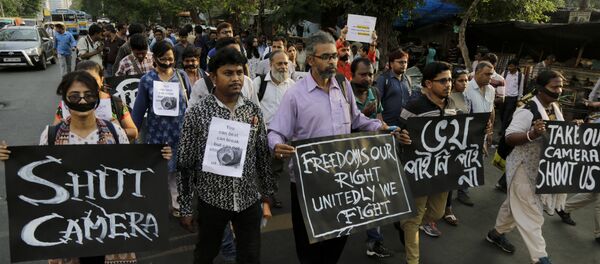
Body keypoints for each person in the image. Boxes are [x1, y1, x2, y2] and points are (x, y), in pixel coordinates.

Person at [0, 70, 172, 264]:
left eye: (89, 95)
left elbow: (132, 170)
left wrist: (158, 158)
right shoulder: (50, 135)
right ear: (65, 99)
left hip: (110, 230)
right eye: (74, 96)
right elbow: (39, 176)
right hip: (67, 232)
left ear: (97, 98)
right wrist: (12, 159)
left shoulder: (115, 132)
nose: (82, 101)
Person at [267, 31, 396, 264]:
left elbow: (357, 120)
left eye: (335, 56)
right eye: (326, 57)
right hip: (309, 184)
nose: (332, 62)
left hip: (342, 181)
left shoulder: (343, 85)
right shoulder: (295, 95)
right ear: (311, 59)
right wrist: (276, 145)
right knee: (309, 245)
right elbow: (276, 130)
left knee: (339, 237)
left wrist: (380, 127)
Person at [177, 47, 275, 264]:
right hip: (211, 200)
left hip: (248, 199)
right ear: (213, 77)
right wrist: (185, 206)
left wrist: (267, 193)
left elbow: (261, 155)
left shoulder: (252, 111)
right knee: (206, 254)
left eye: (240, 72)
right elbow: (185, 163)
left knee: (250, 256)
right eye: (228, 73)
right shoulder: (198, 113)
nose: (236, 78)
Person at [486, 70, 568, 264]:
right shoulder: (527, 110)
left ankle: (496, 233)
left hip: (540, 169)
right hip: (522, 168)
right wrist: (531, 133)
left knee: (515, 204)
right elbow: (509, 137)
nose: (559, 90)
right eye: (554, 86)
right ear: (540, 88)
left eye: (560, 86)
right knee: (531, 212)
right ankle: (540, 257)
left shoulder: (555, 107)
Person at [395, 61, 456, 264]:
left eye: (450, 79)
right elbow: (398, 132)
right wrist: (401, 136)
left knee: (437, 213)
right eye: (443, 81)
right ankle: (412, 259)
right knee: (414, 218)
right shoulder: (414, 106)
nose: (448, 84)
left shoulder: (453, 105)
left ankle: (403, 220)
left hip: (443, 171)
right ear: (429, 83)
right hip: (418, 170)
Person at [131, 40, 192, 216]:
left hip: (179, 132)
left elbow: (190, 104)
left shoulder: (181, 76)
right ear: (155, 59)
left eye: (170, 58)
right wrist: (132, 133)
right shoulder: (147, 80)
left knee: (178, 172)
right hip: (157, 133)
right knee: (160, 171)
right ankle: (155, 206)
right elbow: (139, 109)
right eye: (163, 59)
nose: (167, 62)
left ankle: (178, 205)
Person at [252, 50, 295, 209]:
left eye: (286, 63)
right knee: (260, 166)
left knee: (276, 168)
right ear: (270, 65)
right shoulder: (259, 82)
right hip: (261, 133)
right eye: (279, 63)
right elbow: (250, 105)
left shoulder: (292, 86)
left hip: (282, 136)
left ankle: (270, 195)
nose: (283, 67)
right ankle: (259, 196)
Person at [54, 60, 138, 141]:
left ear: (101, 80)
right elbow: (53, 134)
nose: (88, 84)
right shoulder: (67, 104)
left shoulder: (115, 103)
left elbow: (134, 132)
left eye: (93, 80)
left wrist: (118, 130)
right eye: (83, 80)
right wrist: (60, 128)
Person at [462, 61, 497, 206]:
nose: (490, 77)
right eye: (487, 74)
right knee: (462, 161)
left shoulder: (491, 90)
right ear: (477, 72)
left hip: (482, 133)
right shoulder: (467, 89)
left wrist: (490, 132)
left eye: (491, 74)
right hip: (467, 133)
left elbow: (491, 110)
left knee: (474, 162)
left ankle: (464, 189)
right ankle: (459, 192)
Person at [189, 37, 260, 106]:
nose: (235, 79)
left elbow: (257, 112)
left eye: (238, 52)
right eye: (228, 73)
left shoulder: (248, 83)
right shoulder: (201, 86)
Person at [376, 49, 413, 127]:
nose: (403, 65)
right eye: (400, 62)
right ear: (391, 64)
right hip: (388, 125)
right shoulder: (383, 79)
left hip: (404, 125)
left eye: (405, 62)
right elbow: (376, 103)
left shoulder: (408, 79)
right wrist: (381, 123)